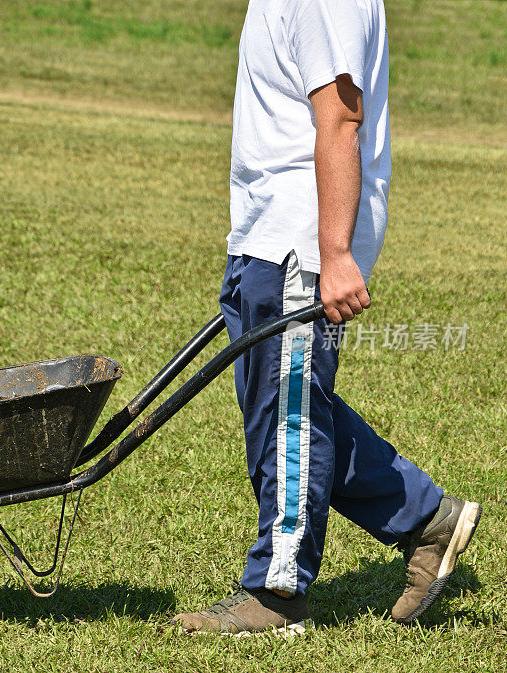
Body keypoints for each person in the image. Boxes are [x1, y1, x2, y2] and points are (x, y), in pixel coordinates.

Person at [172, 0, 481, 635]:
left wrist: (334, 253)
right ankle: (428, 522)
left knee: (289, 418)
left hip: (301, 243)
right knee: (290, 408)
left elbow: (340, 119)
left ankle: (277, 594)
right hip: (267, 235)